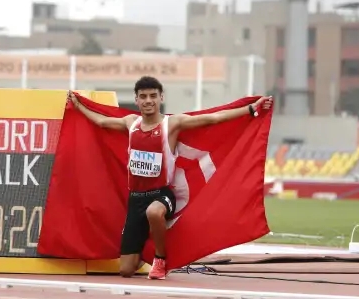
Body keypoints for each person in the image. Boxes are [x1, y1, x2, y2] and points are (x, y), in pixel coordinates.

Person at [67, 76, 272, 280]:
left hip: (162, 195)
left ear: (161, 97)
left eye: (153, 96)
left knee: (154, 212)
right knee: (126, 270)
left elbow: (213, 118)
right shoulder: (131, 123)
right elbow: (102, 122)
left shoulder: (172, 124)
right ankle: (147, 247)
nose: (148, 101)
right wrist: (78, 106)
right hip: (135, 199)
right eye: (143, 96)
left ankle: (160, 258)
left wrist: (251, 109)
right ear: (136, 100)